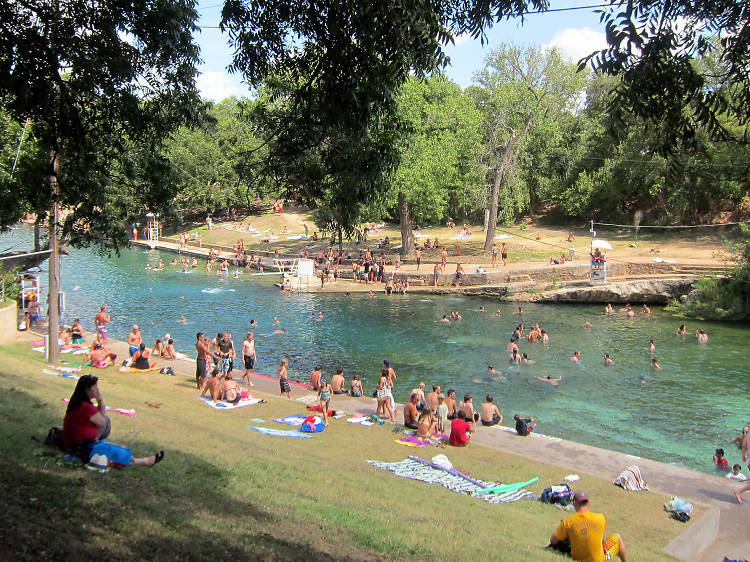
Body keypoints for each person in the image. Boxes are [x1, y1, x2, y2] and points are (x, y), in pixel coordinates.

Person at [63, 374, 164, 466]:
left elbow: (101, 417)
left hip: (76, 444)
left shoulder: (79, 402)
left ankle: (140, 460)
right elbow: (102, 423)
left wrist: (100, 401)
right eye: (95, 387)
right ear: (87, 390)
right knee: (115, 451)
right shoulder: (85, 407)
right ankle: (144, 462)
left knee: (113, 445)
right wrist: (100, 400)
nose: (97, 389)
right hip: (80, 447)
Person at [549, 491, 629, 562]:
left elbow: (553, 541)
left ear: (574, 503)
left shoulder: (568, 521)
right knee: (617, 537)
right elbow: (602, 542)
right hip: (599, 560)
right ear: (588, 503)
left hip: (577, 558)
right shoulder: (600, 518)